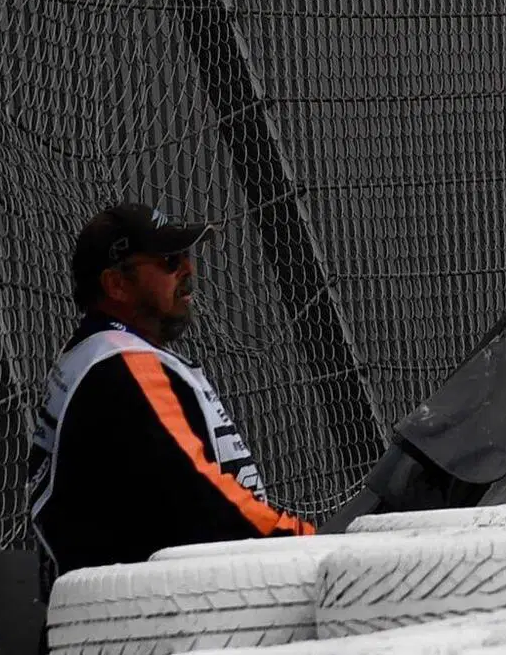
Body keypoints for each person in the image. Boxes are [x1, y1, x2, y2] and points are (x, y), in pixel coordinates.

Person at [29, 203, 311, 575]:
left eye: (185, 257)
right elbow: (204, 491)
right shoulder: (124, 366)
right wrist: (305, 540)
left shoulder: (96, 351)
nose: (188, 269)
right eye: (169, 262)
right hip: (149, 609)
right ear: (117, 284)